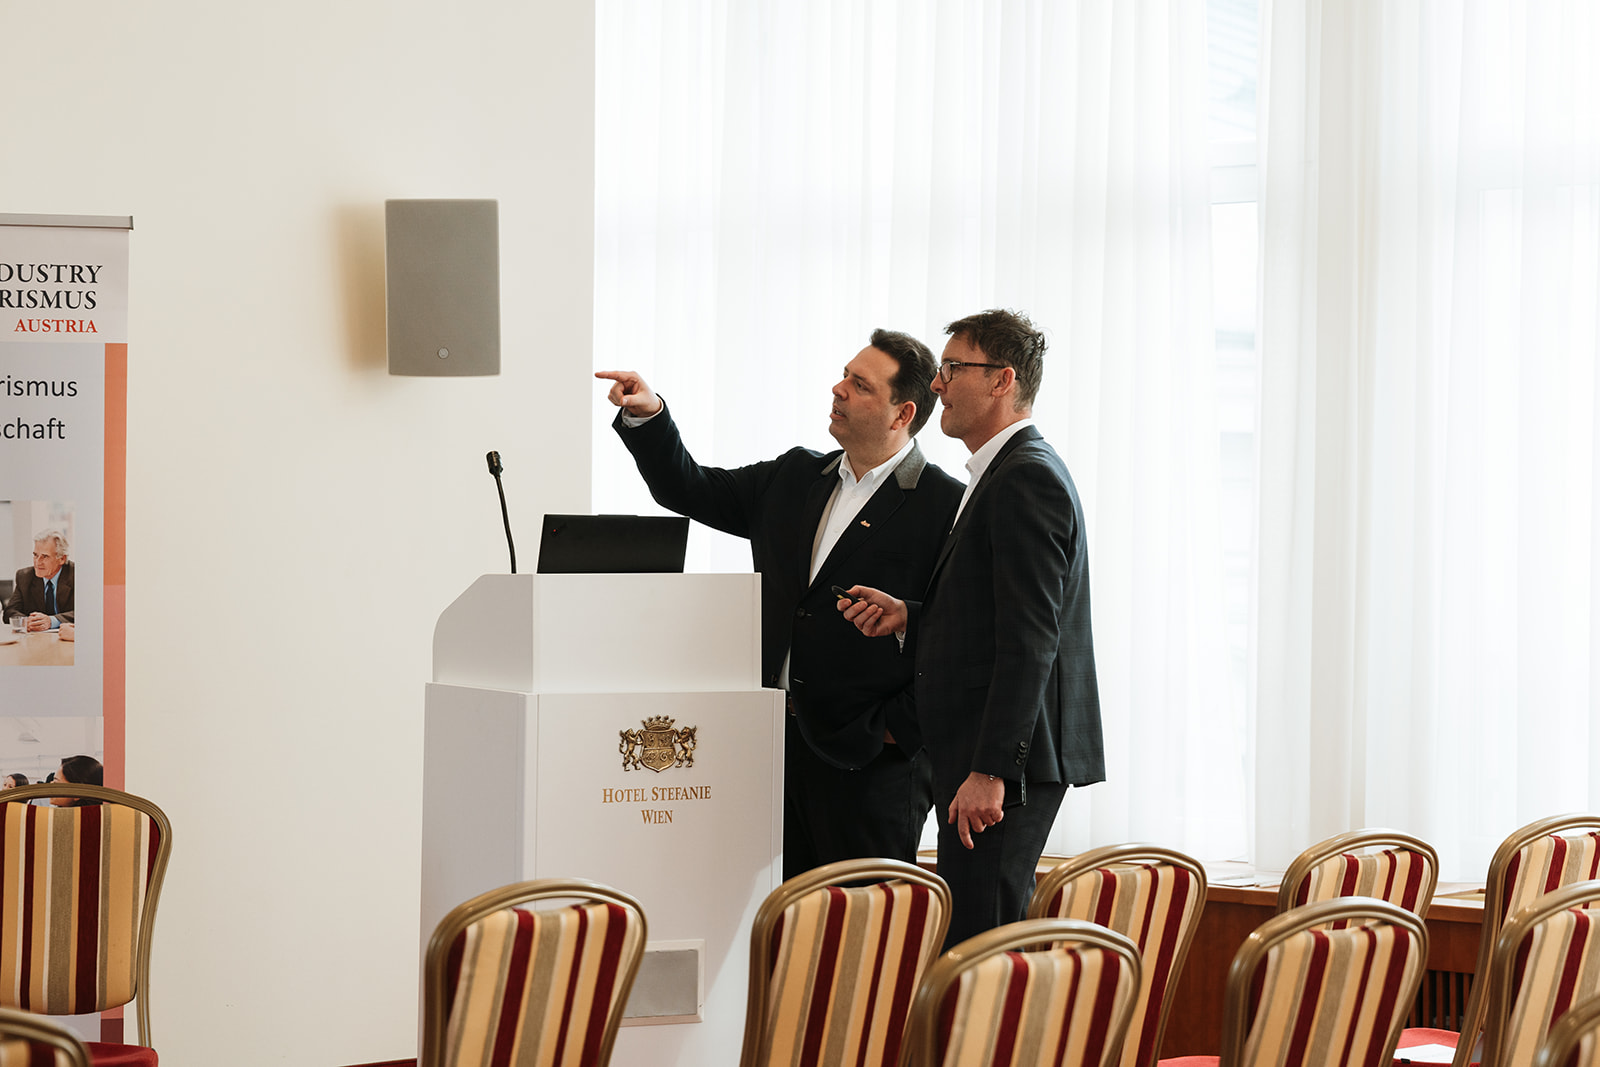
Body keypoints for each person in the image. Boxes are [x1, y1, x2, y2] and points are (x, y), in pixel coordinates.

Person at [598, 330, 965, 880]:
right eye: (844, 375)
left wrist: (899, 728)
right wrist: (648, 416)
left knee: (860, 923)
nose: (838, 389)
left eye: (860, 385)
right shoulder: (795, 476)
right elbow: (690, 488)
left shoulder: (946, 505)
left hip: (873, 766)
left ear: (902, 413)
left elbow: (958, 634)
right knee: (779, 917)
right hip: (773, 747)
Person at [840, 309, 1103, 948]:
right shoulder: (1005, 470)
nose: (938, 384)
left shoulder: (1025, 476)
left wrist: (992, 771)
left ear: (1001, 380)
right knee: (976, 940)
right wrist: (915, 615)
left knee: (981, 948)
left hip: (1003, 765)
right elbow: (1000, 615)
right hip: (990, 757)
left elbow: (1031, 640)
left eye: (954, 368)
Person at [4, 529, 75, 632]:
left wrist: (52, 621)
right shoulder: (24, 576)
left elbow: (87, 611)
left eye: (45, 556)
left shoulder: (77, 576)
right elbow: (10, 611)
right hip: (36, 638)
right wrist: (26, 621)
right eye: (35, 555)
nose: (37, 562)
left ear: (62, 559)